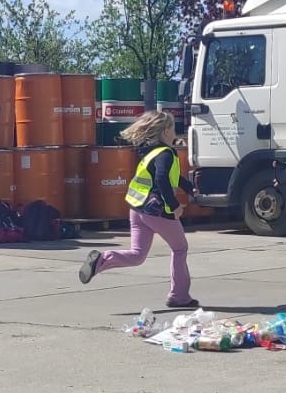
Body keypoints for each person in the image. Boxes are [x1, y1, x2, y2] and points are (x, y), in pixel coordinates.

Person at [78, 110, 198, 308]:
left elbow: (170, 177)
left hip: (137, 210)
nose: (175, 133)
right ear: (166, 132)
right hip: (157, 212)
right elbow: (162, 179)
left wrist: (188, 187)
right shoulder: (166, 153)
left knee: (137, 255)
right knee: (180, 248)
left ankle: (102, 260)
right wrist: (174, 206)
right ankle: (179, 296)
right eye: (173, 129)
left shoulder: (149, 153)